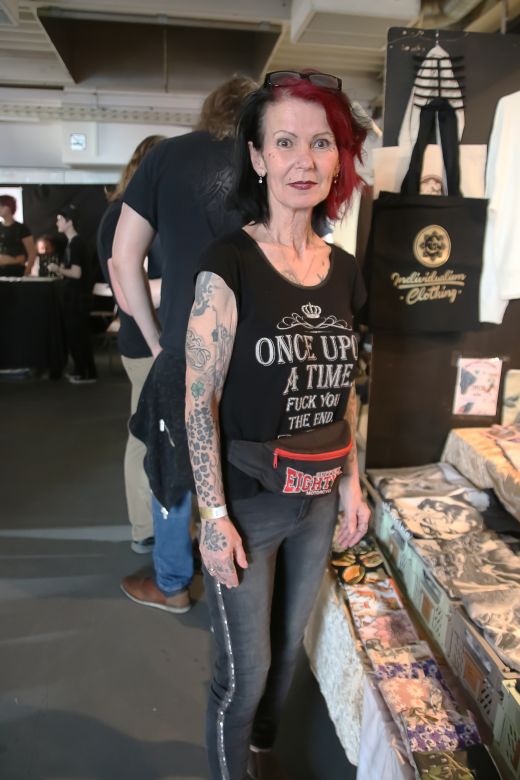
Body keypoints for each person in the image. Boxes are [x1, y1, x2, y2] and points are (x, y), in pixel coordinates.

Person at [184, 71, 371, 780]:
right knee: (245, 672)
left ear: (338, 159)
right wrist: (213, 515)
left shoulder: (344, 271)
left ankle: (261, 752)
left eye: (321, 143)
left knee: (289, 650)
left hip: (317, 496)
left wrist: (352, 483)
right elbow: (198, 399)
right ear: (258, 158)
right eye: (285, 142)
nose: (304, 160)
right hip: (249, 503)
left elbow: (342, 387)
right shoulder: (228, 263)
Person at [111, 75, 257, 613]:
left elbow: (124, 259)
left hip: (183, 344)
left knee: (174, 468)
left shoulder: (165, 157)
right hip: (257, 348)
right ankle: (243, 583)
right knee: (247, 467)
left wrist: (155, 338)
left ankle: (173, 583)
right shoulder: (271, 156)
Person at [97, 135, 165, 554]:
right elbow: (127, 291)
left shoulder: (137, 213)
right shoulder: (121, 217)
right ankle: (144, 527)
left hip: (153, 342)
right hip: (144, 344)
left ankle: (151, 527)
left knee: (149, 436)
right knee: (143, 438)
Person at [50, 204, 97, 384]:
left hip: (78, 299)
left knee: (78, 336)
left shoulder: (76, 244)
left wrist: (58, 269)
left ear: (69, 222)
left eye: (60, 219)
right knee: (78, 336)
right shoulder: (74, 243)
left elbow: (77, 273)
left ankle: (85, 372)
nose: (57, 223)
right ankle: (83, 370)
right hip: (77, 297)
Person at [0, 194, 37, 276]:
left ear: (8, 207)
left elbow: (32, 253)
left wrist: (26, 273)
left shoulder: (21, 228)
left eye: (1, 206)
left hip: (16, 272)